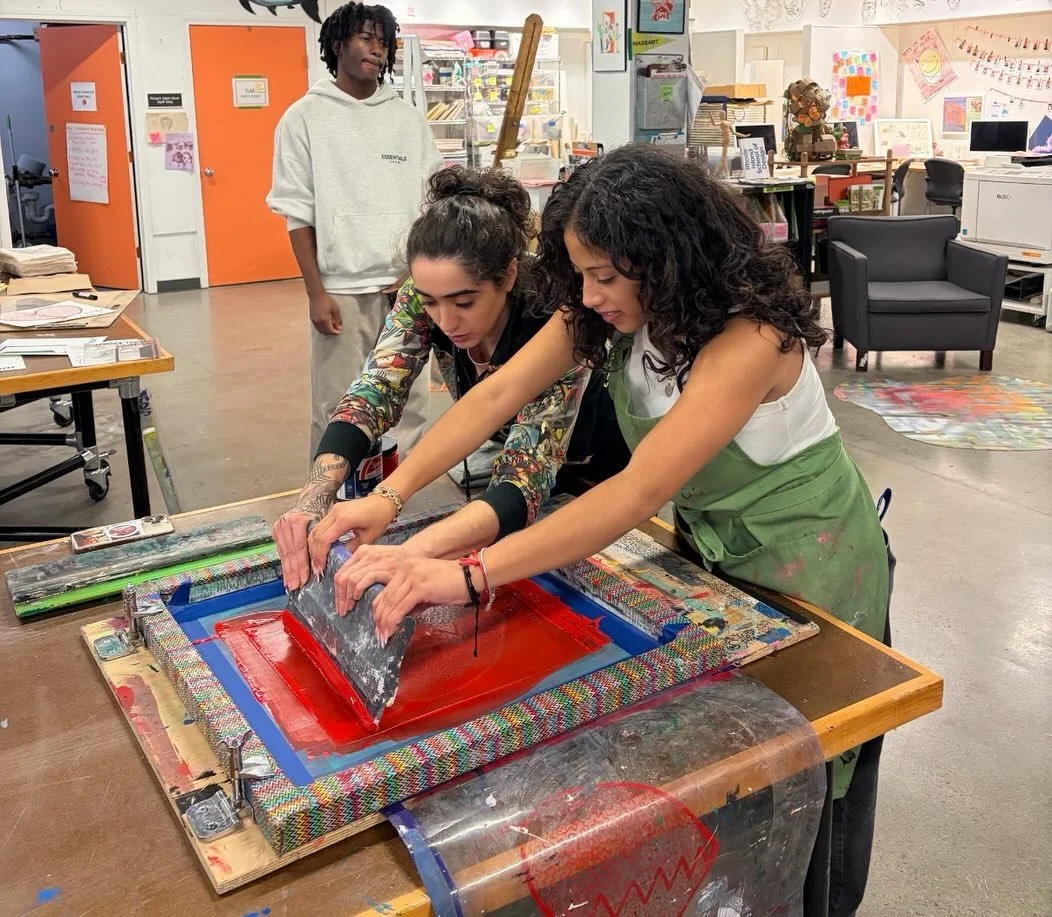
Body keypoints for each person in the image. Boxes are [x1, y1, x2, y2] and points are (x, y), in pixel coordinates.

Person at [307, 145, 894, 917]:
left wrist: (468, 570)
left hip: (815, 569)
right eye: (579, 274)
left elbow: (635, 490)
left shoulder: (751, 339)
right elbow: (498, 396)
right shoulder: (609, 310)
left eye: (606, 278)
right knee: (745, 775)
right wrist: (391, 497)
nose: (587, 295)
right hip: (722, 561)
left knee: (818, 771)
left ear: (668, 259)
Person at [272, 166, 628, 591]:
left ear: (508, 276)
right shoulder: (424, 298)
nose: (446, 320)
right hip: (511, 467)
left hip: (596, 472)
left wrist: (411, 552)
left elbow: (527, 472)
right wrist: (317, 492)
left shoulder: (556, 319)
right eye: (431, 303)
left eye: (464, 301)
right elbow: (376, 389)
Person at [267, 2, 441, 459]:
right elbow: (296, 212)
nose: (377, 51)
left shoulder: (407, 120)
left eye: (384, 43)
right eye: (366, 39)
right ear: (338, 44)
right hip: (340, 290)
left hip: (405, 289)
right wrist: (315, 292)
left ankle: (398, 501)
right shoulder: (304, 118)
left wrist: (417, 275)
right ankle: (329, 505)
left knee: (409, 404)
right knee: (338, 405)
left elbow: (429, 205)